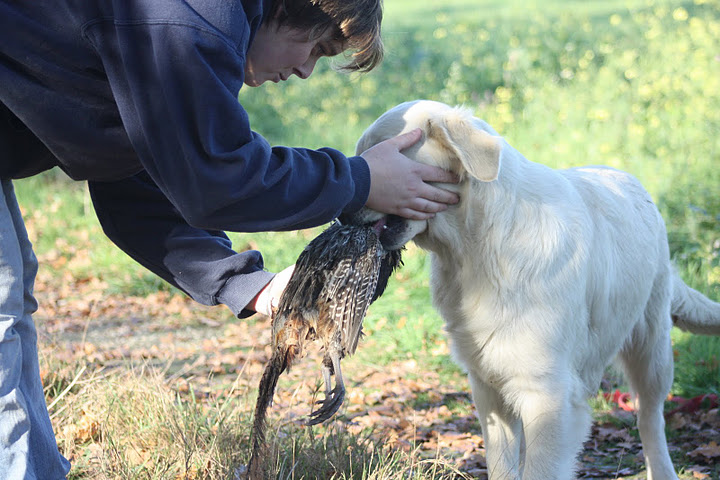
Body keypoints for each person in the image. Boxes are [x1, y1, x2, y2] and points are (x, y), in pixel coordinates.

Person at [0, 0, 459, 478]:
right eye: (316, 47)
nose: (305, 71)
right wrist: (360, 181)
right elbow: (216, 178)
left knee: (10, 301)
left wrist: (252, 287)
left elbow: (133, 183)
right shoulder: (189, 19)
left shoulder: (178, 27)